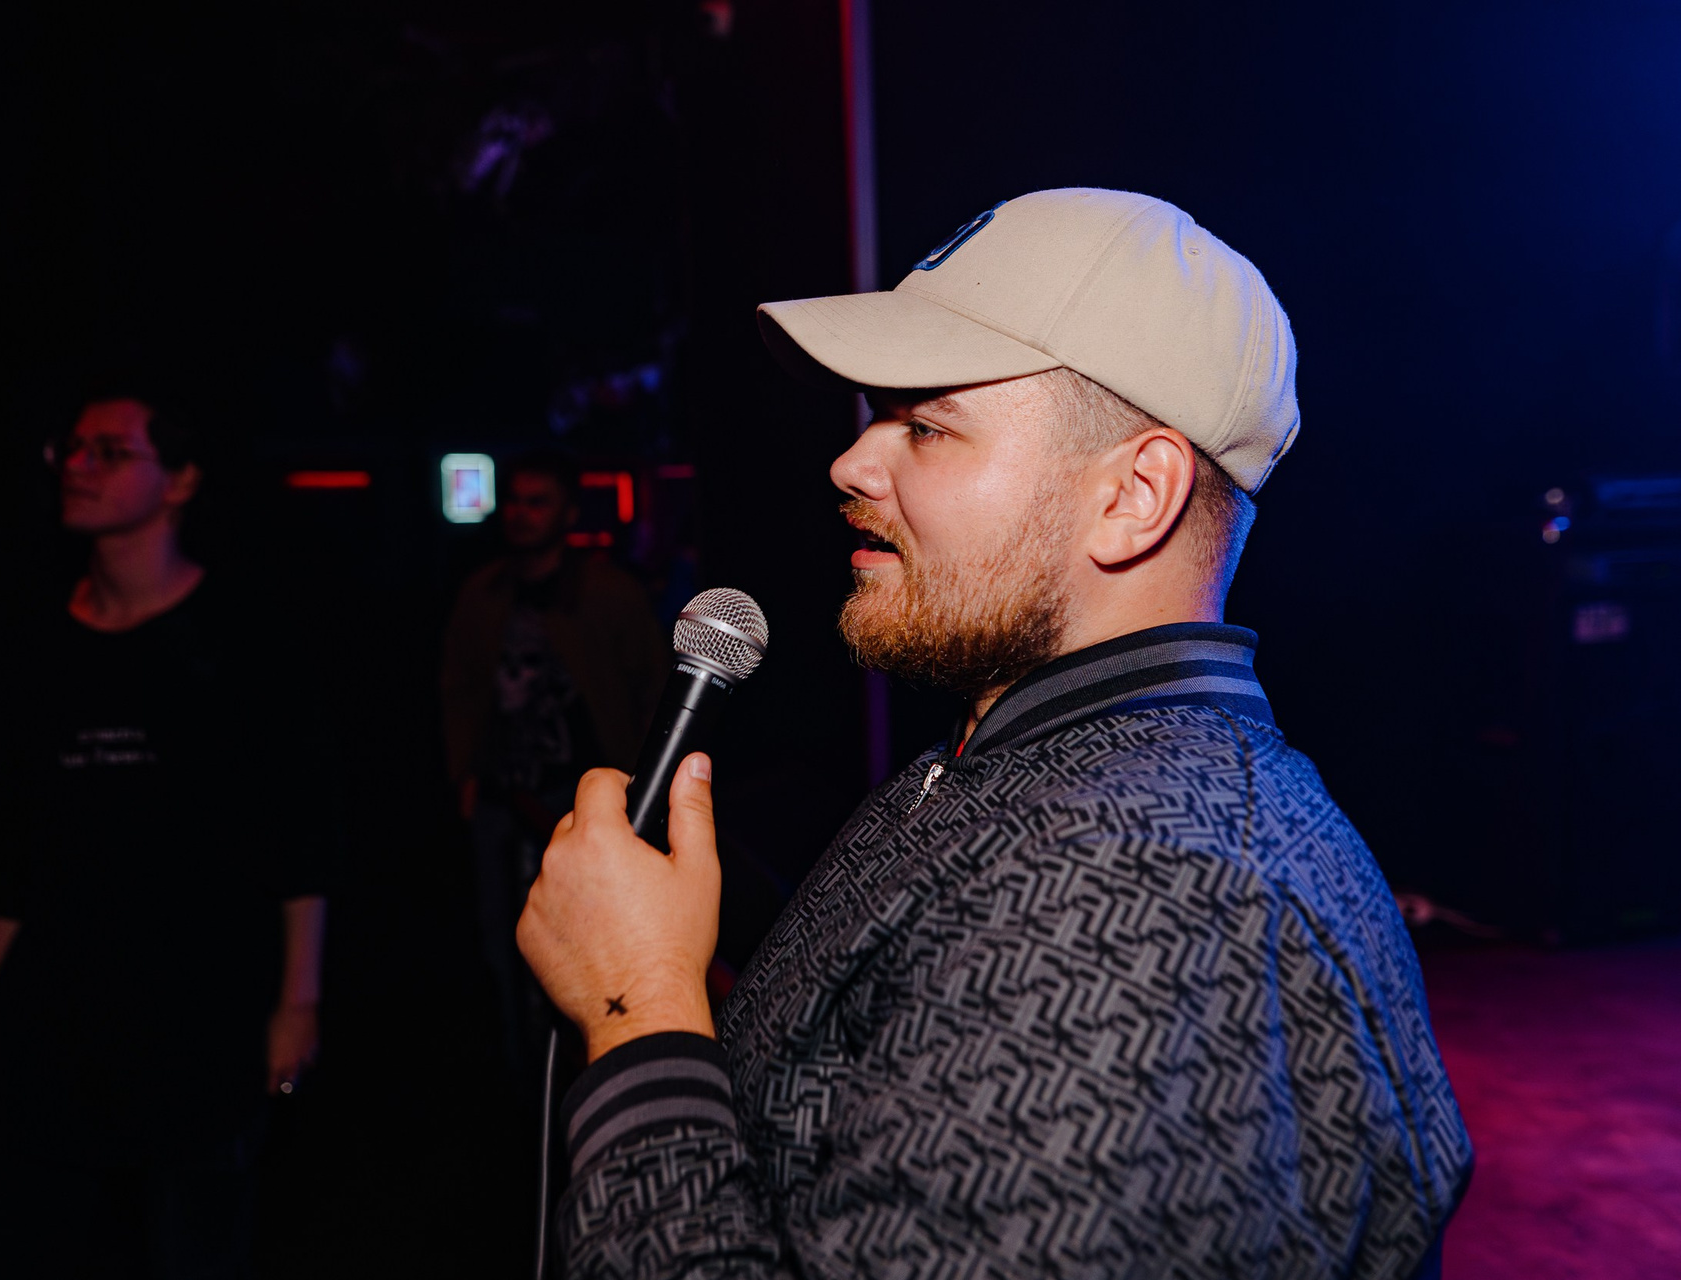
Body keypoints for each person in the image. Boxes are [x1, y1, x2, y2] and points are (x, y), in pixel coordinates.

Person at [516, 189, 1473, 1279]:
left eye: (926, 426)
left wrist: (636, 1005)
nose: (852, 462)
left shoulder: (1151, 895)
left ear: (1135, 494)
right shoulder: (1019, 769)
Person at [0, 393, 331, 1278]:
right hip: (61, 1022)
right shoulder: (37, 648)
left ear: (179, 482)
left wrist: (297, 1003)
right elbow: (11, 856)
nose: (78, 466)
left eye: (109, 451)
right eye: (70, 448)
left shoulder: (240, 640)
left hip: (205, 1019)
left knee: (195, 1246)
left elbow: (295, 833)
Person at [441, 452, 667, 1103]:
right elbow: (459, 689)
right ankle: (519, 1081)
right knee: (501, 935)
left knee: (587, 939)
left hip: (582, 798)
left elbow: (650, 688)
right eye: (514, 501)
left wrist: (640, 784)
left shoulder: (607, 594)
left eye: (537, 501)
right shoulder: (483, 593)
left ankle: (589, 1074)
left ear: (567, 513)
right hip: (500, 794)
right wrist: (464, 772)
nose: (521, 514)